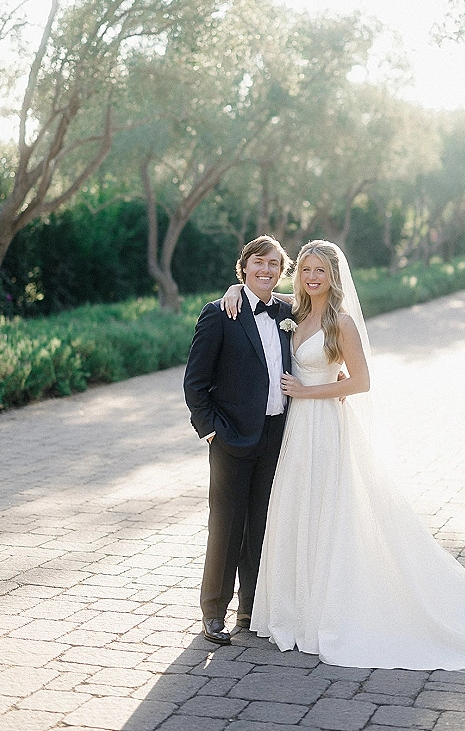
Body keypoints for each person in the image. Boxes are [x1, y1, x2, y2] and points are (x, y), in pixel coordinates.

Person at [222, 239, 465, 676]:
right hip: (296, 432)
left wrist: (310, 391)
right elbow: (258, 290)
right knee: (298, 512)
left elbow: (361, 382)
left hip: (325, 426)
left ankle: (332, 610)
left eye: (320, 272)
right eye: (305, 270)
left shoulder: (339, 322)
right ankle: (298, 607)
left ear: (333, 277)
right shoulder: (295, 313)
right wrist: (232, 291)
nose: (311, 277)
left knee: (329, 513)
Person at [183, 235, 293, 646]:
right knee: (226, 526)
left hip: (277, 435)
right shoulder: (219, 313)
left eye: (273, 265)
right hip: (229, 437)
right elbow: (195, 383)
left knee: (262, 523)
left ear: (281, 271)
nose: (265, 271)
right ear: (244, 267)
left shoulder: (287, 311)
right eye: (258, 263)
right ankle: (214, 612)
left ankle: (251, 608)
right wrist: (210, 429)